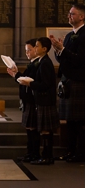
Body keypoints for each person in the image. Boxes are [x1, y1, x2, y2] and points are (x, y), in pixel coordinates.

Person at [50, 3, 84, 163]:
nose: (69, 16)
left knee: (79, 121)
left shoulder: (84, 35)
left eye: (72, 14)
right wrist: (58, 50)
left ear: (82, 16)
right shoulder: (70, 35)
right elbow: (63, 59)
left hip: (78, 80)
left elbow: (80, 59)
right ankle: (70, 151)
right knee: (69, 121)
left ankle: (80, 153)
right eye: (69, 13)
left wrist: (63, 50)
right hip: (67, 80)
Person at [20, 37, 58, 165]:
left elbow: (46, 84)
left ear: (44, 49)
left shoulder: (45, 63)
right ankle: (42, 155)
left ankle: (47, 156)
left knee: (46, 130)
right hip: (41, 100)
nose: (35, 48)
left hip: (45, 100)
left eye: (37, 46)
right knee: (42, 129)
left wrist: (31, 84)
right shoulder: (42, 61)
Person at [8, 39, 40, 163]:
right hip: (27, 100)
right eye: (26, 50)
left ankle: (34, 153)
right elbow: (24, 79)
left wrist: (16, 75)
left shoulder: (38, 64)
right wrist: (16, 74)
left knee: (32, 128)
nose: (27, 53)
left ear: (37, 49)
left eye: (29, 50)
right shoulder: (32, 64)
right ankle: (30, 153)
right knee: (29, 128)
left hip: (32, 100)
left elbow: (30, 80)